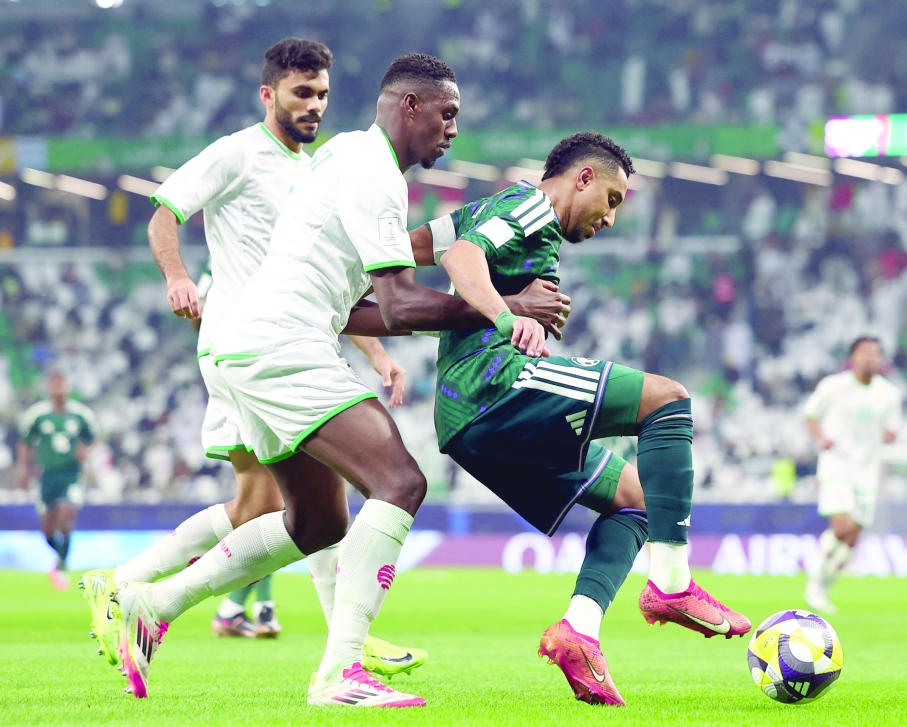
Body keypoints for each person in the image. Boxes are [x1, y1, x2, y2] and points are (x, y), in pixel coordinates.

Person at [108, 53, 567, 706]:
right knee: (400, 481)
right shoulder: (373, 172)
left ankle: (154, 601)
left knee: (319, 519)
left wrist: (472, 283)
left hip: (255, 345)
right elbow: (404, 306)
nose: (454, 129)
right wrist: (506, 309)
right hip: (281, 344)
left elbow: (360, 309)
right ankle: (339, 672)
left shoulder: (347, 159)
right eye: (447, 113)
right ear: (409, 105)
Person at [79, 38, 423, 678]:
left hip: (291, 341)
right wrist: (178, 278)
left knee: (276, 504)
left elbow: (328, 277)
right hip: (247, 344)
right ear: (268, 94)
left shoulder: (314, 168)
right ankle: (342, 640)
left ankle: (131, 590)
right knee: (300, 499)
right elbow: (165, 213)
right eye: (301, 93)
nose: (315, 105)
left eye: (322, 93)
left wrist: (374, 351)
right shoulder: (239, 152)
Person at [414, 131, 751, 706]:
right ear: (584, 178)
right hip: (492, 384)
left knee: (639, 498)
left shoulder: (496, 209)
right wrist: (505, 316)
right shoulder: (529, 206)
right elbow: (458, 257)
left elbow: (419, 244)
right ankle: (672, 585)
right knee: (667, 399)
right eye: (613, 200)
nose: (611, 219)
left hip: (470, 423)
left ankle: (579, 632)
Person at [803, 336, 902, 613]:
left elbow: (892, 430)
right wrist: (820, 437)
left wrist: (890, 435)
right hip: (837, 465)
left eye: (875, 354)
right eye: (864, 353)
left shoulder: (889, 394)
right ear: (853, 357)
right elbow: (810, 414)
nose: (870, 358)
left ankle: (824, 583)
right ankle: (815, 582)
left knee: (852, 538)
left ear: (881, 359)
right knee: (842, 527)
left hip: (867, 471)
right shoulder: (833, 386)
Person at [17, 372, 97, 590]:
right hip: (46, 476)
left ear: (68, 388)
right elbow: (26, 443)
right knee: (48, 526)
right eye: (55, 384)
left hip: (70, 475)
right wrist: (23, 470)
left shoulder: (81, 415)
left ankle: (60, 566)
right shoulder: (38, 415)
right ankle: (58, 559)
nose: (59, 389)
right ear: (49, 389)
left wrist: (84, 450)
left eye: (62, 384)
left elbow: (92, 439)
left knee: (66, 513)